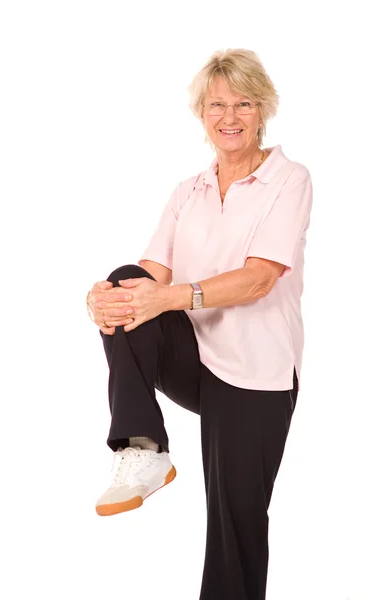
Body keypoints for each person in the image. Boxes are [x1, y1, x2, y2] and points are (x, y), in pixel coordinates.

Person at [86, 48, 313, 600]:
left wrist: (172, 296)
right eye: (216, 104)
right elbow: (150, 277)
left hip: (257, 377)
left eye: (242, 103)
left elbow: (259, 279)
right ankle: (143, 448)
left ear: (262, 111)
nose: (229, 116)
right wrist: (99, 300)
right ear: (201, 112)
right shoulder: (188, 190)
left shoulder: (289, 179)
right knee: (123, 281)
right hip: (196, 360)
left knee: (235, 521)